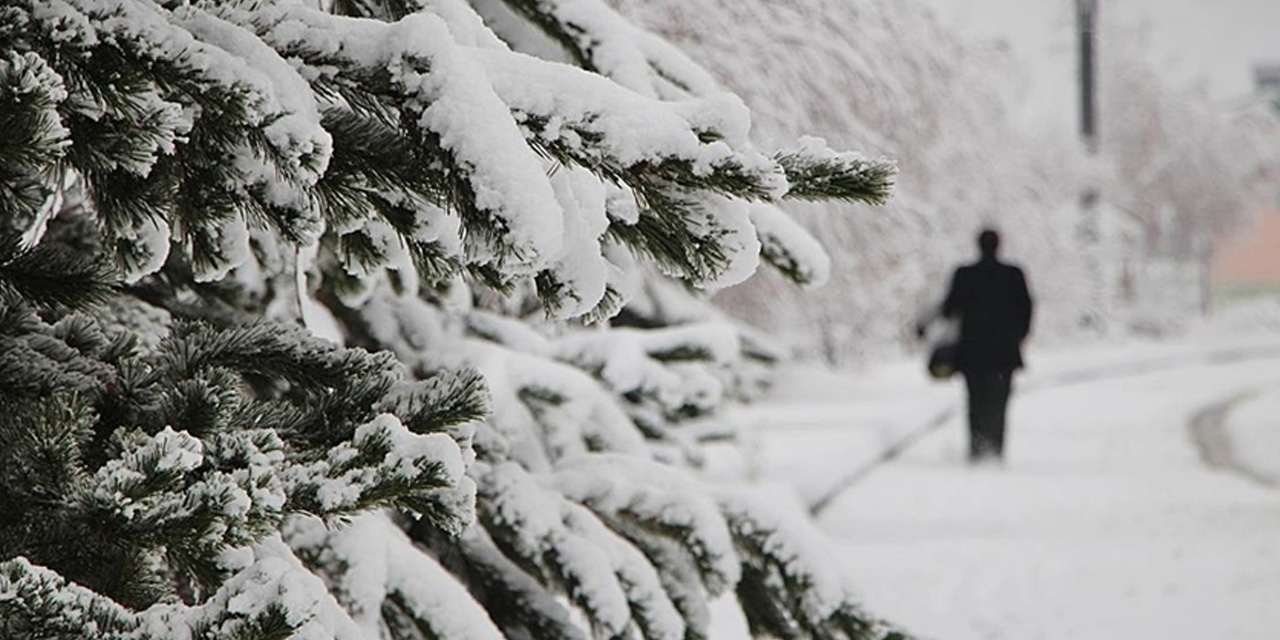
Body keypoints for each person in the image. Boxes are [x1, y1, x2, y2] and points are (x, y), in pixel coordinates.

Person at [918, 229, 1033, 463]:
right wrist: (1018, 336)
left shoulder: (965, 274)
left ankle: (977, 448)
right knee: (999, 402)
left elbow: (949, 307)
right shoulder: (1013, 275)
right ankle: (995, 449)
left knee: (975, 400)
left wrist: (924, 325)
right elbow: (1026, 309)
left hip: (973, 352)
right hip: (1004, 353)